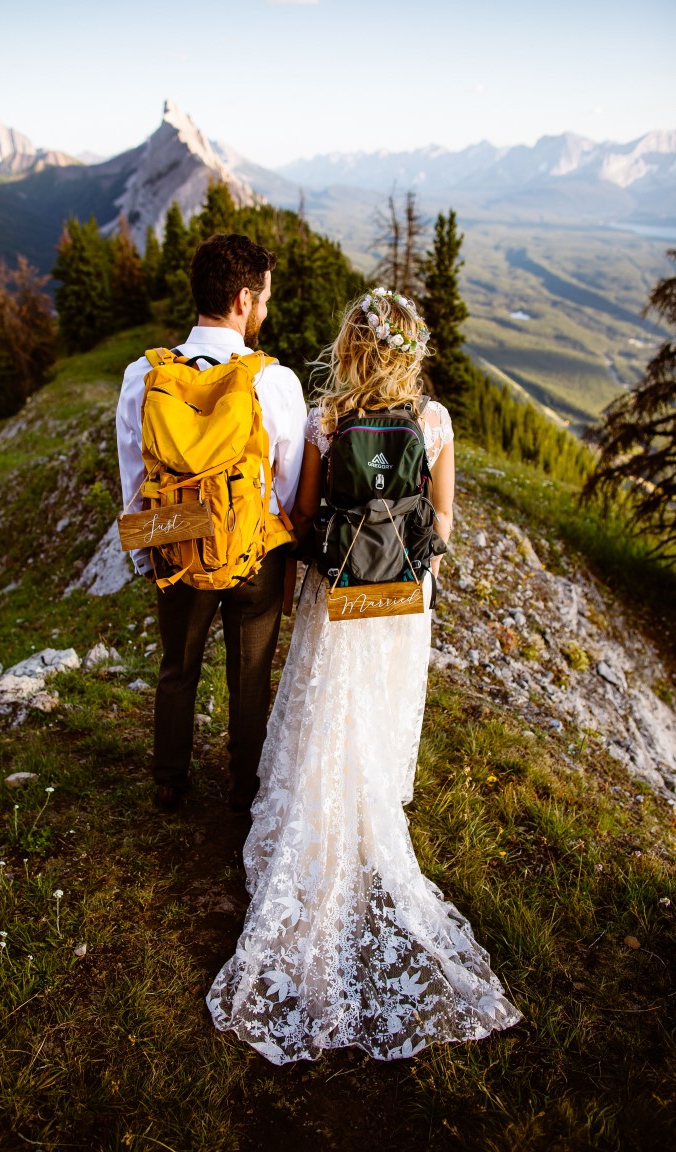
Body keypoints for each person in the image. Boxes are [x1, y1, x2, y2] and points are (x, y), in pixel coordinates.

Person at [207, 288, 522, 1063]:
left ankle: (324, 802)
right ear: (412, 351)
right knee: (379, 703)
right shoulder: (435, 423)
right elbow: (442, 526)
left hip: (338, 593)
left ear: (353, 346)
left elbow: (310, 516)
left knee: (328, 701)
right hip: (401, 597)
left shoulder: (325, 420)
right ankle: (373, 793)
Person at [116, 232, 307, 813]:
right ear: (244, 300)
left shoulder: (142, 376)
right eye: (265, 298)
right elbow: (289, 481)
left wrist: (145, 553)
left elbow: (133, 474)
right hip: (251, 544)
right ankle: (245, 788)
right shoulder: (274, 381)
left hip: (175, 533)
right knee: (249, 677)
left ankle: (170, 779)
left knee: (177, 665)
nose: (266, 309)